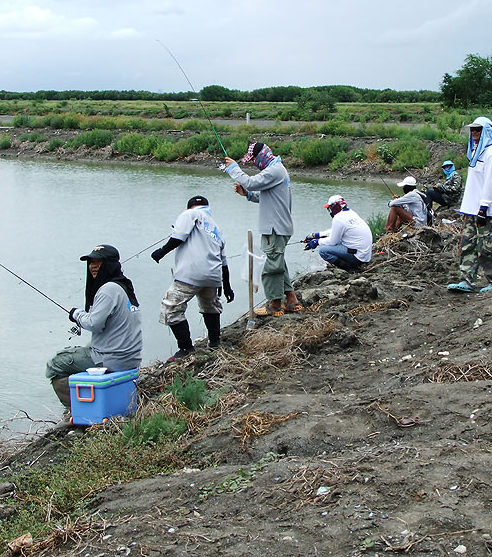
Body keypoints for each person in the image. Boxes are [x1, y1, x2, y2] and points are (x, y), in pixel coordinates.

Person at [46, 244, 142, 410]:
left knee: (56, 364)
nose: (93, 266)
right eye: (91, 262)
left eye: (99, 262)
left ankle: (75, 409)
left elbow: (94, 324)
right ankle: (90, 397)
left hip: (113, 359)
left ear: (110, 264)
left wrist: (76, 314)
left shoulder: (107, 290)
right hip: (130, 357)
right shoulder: (122, 285)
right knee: (87, 347)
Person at [223, 142, 302, 317]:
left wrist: (233, 168)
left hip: (274, 228)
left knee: (270, 266)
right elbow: (266, 197)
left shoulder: (274, 171)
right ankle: (291, 300)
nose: (253, 164)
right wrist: (247, 195)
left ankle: (274, 305)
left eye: (253, 160)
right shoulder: (277, 169)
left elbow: (250, 182)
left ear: (262, 156)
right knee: (278, 262)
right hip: (280, 226)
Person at [150, 195, 235, 360]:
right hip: (213, 275)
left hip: (191, 274)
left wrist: (160, 252)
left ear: (189, 207)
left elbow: (178, 237)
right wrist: (227, 286)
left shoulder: (189, 214)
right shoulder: (216, 228)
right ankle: (215, 343)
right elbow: (224, 262)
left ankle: (186, 348)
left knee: (171, 308)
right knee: (210, 306)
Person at [448, 117, 492, 293]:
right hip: (470, 209)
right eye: (472, 130)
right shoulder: (475, 153)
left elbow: (489, 183)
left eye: (478, 130)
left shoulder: (491, 154)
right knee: (468, 245)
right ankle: (466, 280)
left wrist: (483, 208)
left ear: (486, 131)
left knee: (488, 246)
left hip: (484, 210)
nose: (474, 133)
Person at [303, 195, 373, 272]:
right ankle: (353, 265)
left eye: (330, 208)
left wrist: (316, 242)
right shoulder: (350, 212)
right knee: (330, 241)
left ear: (335, 206)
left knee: (323, 250)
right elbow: (335, 231)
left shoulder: (338, 218)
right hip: (365, 255)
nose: (330, 211)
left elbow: (332, 241)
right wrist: (316, 235)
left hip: (358, 257)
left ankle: (350, 268)